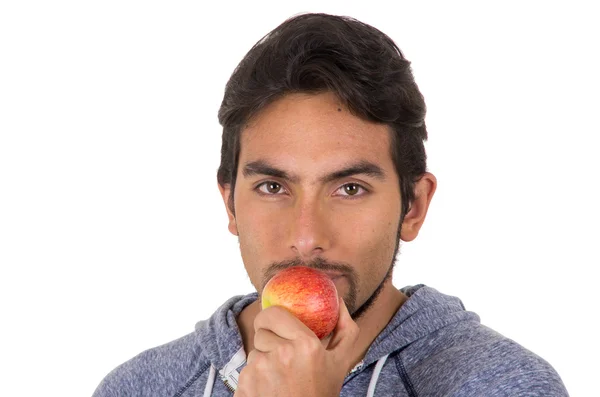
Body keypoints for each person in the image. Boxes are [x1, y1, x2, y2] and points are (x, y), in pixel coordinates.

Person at [93, 13, 568, 397]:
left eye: (350, 189)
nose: (306, 238)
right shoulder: (134, 388)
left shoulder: (501, 385)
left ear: (413, 207)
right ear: (230, 206)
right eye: (273, 188)